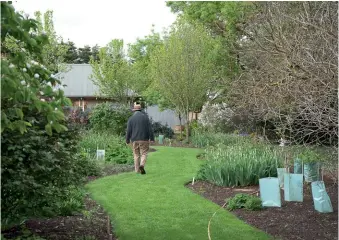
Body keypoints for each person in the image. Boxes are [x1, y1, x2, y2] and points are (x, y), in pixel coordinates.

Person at [126, 103, 154, 174]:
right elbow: (150, 129)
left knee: (136, 154)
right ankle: (142, 165)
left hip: (134, 139)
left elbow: (128, 130)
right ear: (140, 110)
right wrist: (152, 138)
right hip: (144, 139)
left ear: (134, 110)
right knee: (144, 153)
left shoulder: (131, 119)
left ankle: (137, 170)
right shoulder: (145, 118)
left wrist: (127, 140)